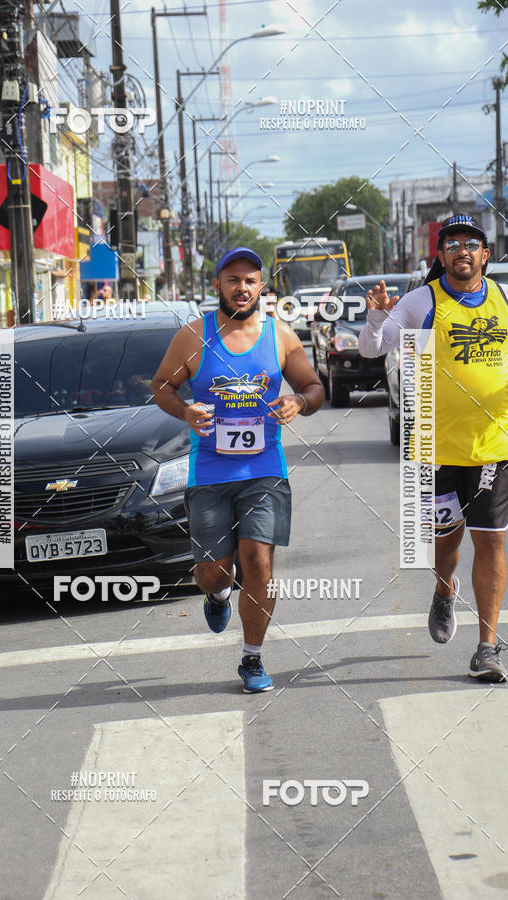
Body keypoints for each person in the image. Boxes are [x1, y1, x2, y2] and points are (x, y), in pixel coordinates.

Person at [151, 247, 324, 692]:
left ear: (261, 286)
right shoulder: (194, 336)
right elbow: (162, 385)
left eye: (250, 280)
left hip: (265, 470)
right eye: (233, 279)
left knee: (259, 563)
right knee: (214, 571)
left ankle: (252, 658)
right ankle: (218, 593)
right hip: (209, 472)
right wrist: (186, 411)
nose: (242, 288)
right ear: (218, 286)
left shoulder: (280, 336)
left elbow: (313, 386)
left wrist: (299, 401)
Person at [359, 214, 508, 682]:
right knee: (446, 545)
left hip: (491, 446)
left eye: (472, 242)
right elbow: (370, 350)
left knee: (493, 540)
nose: (462, 249)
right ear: (440, 255)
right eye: (452, 243)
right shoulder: (422, 301)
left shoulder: (504, 299)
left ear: (485, 254)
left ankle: (487, 646)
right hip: (436, 448)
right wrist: (378, 315)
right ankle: (444, 590)